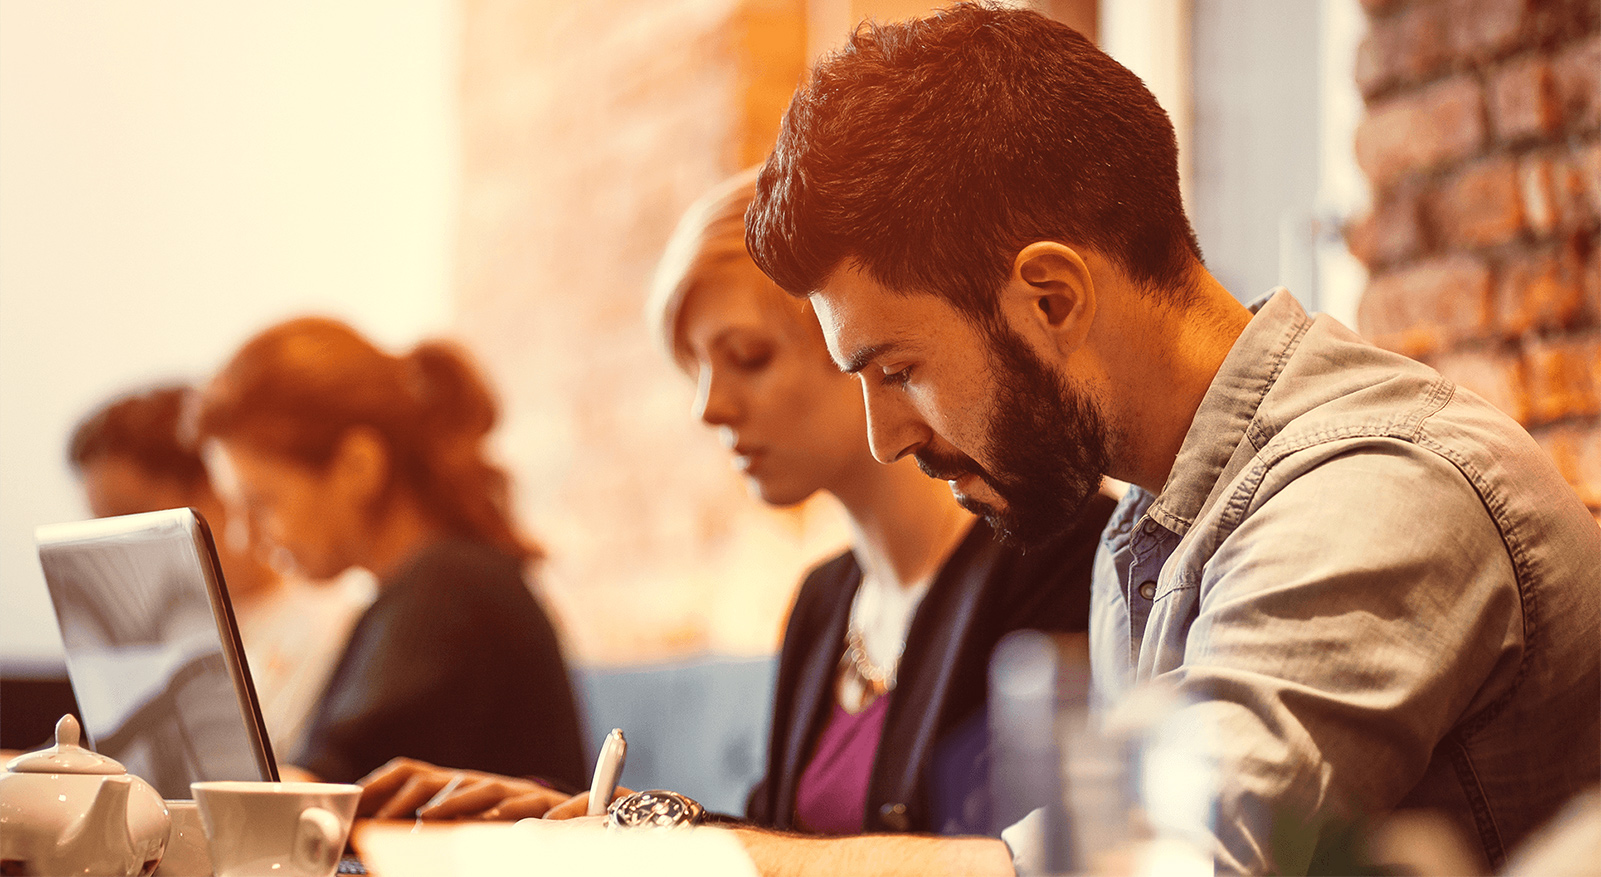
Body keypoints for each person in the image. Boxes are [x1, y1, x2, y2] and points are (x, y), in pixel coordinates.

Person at [721, 0, 1599, 877]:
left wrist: (710, 862)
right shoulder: (1141, 528)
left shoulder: (1370, 493)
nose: (883, 438)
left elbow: (1171, 864)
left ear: (1052, 299)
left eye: (898, 370)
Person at [356, 168, 1117, 834]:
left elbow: (1008, 857)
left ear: (851, 340)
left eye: (747, 358)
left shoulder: (1056, 551)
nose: (708, 407)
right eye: (694, 368)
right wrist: (593, 821)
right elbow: (780, 845)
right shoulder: (824, 602)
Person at [192, 317, 589, 789]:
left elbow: (322, 793)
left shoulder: (448, 592)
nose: (243, 538)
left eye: (262, 503)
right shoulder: (423, 588)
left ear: (358, 465)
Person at [67, 384, 365, 762]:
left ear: (214, 486)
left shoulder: (340, 618)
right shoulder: (156, 638)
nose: (115, 552)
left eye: (131, 515)